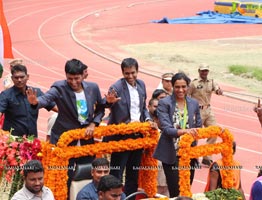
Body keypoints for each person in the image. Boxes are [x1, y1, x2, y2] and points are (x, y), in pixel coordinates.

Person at [26, 58, 118, 198]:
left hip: (86, 140)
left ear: (83, 75)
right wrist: (36, 102)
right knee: (64, 176)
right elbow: (47, 98)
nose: (73, 82)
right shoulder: (59, 87)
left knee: (87, 173)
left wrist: (93, 124)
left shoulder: (93, 87)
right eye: (70, 78)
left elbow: (100, 109)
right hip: (64, 140)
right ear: (66, 76)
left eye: (77, 78)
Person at [102, 57, 156, 200]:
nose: (130, 76)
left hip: (138, 136)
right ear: (122, 73)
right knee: (117, 173)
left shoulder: (141, 85)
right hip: (121, 136)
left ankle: (130, 198)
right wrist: (109, 103)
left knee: (133, 172)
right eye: (127, 73)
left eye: (133, 73)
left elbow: (142, 108)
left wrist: (149, 120)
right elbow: (108, 105)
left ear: (137, 71)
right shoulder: (116, 87)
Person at [153, 72, 202, 197]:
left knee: (186, 189)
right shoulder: (164, 103)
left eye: (184, 86)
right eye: (177, 87)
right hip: (171, 153)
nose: (180, 90)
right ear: (173, 86)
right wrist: (186, 131)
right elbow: (167, 129)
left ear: (188, 87)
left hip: (188, 153)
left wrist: (196, 150)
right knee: (176, 191)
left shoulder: (193, 103)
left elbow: (198, 125)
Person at [0, 64, 56, 137]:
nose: (19, 80)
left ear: (27, 77)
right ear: (12, 78)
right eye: (16, 77)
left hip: (32, 141)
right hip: (12, 142)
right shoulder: (6, 95)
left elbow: (54, 107)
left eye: (22, 77)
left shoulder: (36, 92)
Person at [188, 63, 223, 167]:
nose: (204, 72)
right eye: (202, 70)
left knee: (214, 131)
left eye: (206, 71)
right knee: (195, 135)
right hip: (196, 111)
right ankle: (193, 158)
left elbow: (217, 89)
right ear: (199, 71)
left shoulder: (211, 82)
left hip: (208, 110)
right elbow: (188, 97)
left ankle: (207, 157)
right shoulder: (193, 83)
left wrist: (219, 91)